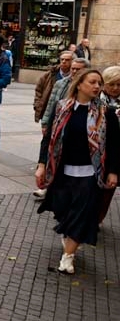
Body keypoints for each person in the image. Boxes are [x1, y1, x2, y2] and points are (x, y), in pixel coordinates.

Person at [35, 69, 118, 275]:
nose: (97, 86)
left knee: (81, 214)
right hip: (62, 171)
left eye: (99, 83)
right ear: (79, 84)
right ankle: (69, 234)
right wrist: (42, 164)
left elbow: (116, 146)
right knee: (63, 210)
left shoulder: (106, 112)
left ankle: (68, 257)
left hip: (91, 173)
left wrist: (113, 172)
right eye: (92, 82)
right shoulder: (62, 107)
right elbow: (49, 139)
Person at [34, 57, 90, 200]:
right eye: (73, 68)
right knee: (51, 152)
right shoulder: (61, 83)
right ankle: (47, 186)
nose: (75, 71)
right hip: (57, 122)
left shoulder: (87, 87)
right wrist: (45, 122)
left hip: (73, 127)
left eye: (79, 69)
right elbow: (52, 103)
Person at [98, 66, 120, 224]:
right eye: (112, 84)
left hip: (115, 155)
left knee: (107, 191)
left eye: (119, 84)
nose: (115, 88)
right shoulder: (95, 99)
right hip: (96, 152)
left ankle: (97, 219)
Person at [34, 51, 73, 123]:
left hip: (65, 112)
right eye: (62, 59)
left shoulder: (75, 77)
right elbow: (38, 90)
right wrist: (37, 105)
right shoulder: (49, 75)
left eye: (67, 60)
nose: (64, 62)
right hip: (49, 110)